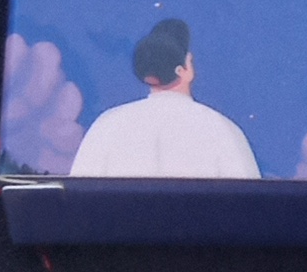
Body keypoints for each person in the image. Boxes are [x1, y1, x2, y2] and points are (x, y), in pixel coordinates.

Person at [67, 18, 262, 181]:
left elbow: (79, 202)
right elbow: (250, 205)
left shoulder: (107, 126)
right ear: (185, 68)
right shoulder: (221, 130)